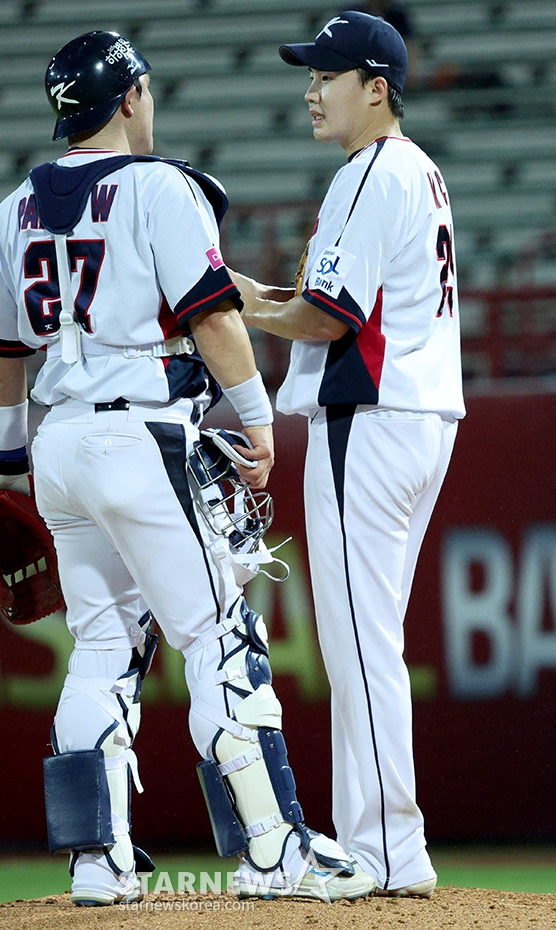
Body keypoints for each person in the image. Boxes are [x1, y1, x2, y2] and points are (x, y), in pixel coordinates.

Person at [0, 30, 377, 907]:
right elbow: (215, 316)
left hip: (59, 446)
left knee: (101, 648)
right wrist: (259, 419)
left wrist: (6, 470)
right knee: (220, 636)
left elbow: (1, 357)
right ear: (128, 98)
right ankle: (275, 854)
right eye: (143, 90)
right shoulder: (160, 187)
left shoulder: (11, 212)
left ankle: (94, 862)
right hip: (141, 432)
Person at [231, 11, 464, 898]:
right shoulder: (420, 170)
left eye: (325, 76)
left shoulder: (371, 170)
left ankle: (379, 849)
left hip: (365, 420)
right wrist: (267, 297)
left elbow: (329, 318)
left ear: (376, 88)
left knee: (359, 646)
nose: (309, 91)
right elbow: (347, 301)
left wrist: (239, 307)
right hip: (418, 418)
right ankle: (384, 841)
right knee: (373, 641)